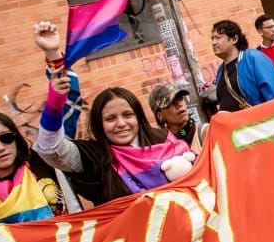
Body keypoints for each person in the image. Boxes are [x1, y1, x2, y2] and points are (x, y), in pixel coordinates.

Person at [32, 22, 196, 204]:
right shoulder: (95, 157)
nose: (121, 123)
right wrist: (55, 97)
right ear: (99, 123)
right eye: (110, 118)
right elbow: (49, 148)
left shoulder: (164, 138)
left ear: (138, 117)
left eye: (127, 115)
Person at [210, 19, 274, 112]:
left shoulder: (254, 58)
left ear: (234, 39)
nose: (214, 43)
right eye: (212, 39)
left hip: (259, 122)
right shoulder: (221, 70)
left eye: (218, 38)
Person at [148, 83, 199, 149]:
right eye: (170, 102)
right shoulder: (162, 148)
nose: (179, 104)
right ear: (159, 115)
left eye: (180, 98)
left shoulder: (204, 133)